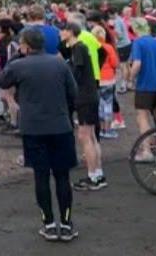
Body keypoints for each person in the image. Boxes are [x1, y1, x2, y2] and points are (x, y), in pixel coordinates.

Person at [0, 27, 79, 242]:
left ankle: (49, 223)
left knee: (41, 176)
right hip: (60, 125)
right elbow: (73, 93)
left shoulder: (18, 65)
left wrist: (16, 56)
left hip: (33, 128)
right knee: (62, 176)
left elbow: (2, 81)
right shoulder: (60, 64)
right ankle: (66, 222)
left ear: (25, 44)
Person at [59, 22, 105, 191]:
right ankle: (98, 173)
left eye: (62, 31)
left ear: (70, 32)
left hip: (85, 96)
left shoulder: (78, 48)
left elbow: (76, 71)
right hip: (90, 94)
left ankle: (93, 176)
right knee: (91, 135)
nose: (59, 34)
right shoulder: (81, 47)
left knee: (85, 136)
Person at [129, 17, 156, 161]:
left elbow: (137, 63)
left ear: (135, 29)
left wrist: (130, 79)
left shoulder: (138, 43)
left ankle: (147, 151)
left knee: (143, 118)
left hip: (145, 85)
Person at [94, 26, 119, 140]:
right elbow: (115, 63)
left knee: (98, 105)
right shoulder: (108, 47)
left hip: (96, 79)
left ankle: (99, 129)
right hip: (108, 79)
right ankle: (107, 129)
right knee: (108, 105)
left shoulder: (91, 47)